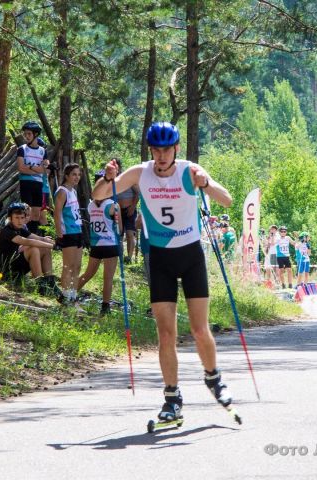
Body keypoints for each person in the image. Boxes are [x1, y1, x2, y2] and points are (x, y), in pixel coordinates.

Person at [91, 121, 234, 424]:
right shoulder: (141, 172)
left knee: (199, 329)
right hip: (160, 258)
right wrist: (108, 177)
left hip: (191, 255)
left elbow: (227, 200)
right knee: (165, 334)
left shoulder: (188, 170)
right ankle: (172, 397)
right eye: (156, 149)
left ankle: (213, 378)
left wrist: (206, 183)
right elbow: (99, 195)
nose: (161, 155)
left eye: (166, 149)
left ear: (176, 148)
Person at [78, 170, 121, 315]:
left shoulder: (91, 205)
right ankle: (105, 307)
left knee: (88, 274)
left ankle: (68, 295)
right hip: (110, 244)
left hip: (96, 245)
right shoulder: (113, 205)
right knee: (108, 278)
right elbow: (119, 228)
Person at [0, 202, 58, 295]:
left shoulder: (20, 229)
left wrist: (58, 244)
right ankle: (40, 285)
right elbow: (28, 242)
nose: (20, 221)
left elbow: (40, 238)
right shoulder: (7, 231)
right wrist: (53, 246)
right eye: (16, 218)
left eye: (22, 218)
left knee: (45, 249)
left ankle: (51, 282)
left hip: (15, 265)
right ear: (10, 218)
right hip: (5, 271)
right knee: (33, 248)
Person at [54, 163, 84, 304]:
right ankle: (65, 296)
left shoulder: (74, 191)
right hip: (68, 232)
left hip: (78, 230)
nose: (76, 177)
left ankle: (73, 295)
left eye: (78, 174)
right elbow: (57, 212)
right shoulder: (62, 191)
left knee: (77, 266)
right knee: (68, 265)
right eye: (73, 174)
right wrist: (60, 232)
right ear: (66, 176)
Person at [16, 121, 51, 235]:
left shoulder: (42, 151)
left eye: (29, 134)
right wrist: (37, 168)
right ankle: (25, 237)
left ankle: (33, 235)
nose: (26, 136)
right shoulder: (22, 149)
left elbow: (45, 169)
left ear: (36, 134)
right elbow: (21, 168)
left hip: (38, 184)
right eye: (25, 134)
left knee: (36, 213)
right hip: (26, 183)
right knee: (27, 212)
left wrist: (30, 167)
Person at [114, 158, 139, 264]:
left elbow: (138, 193)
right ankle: (119, 256)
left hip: (129, 209)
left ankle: (129, 257)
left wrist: (133, 207)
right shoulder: (111, 181)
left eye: (116, 166)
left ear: (119, 167)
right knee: (119, 234)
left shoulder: (127, 179)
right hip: (117, 211)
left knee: (130, 234)